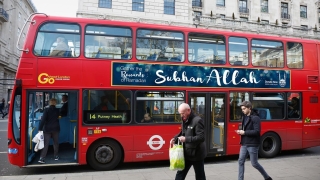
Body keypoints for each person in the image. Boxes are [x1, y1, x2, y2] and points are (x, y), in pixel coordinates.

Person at [236, 101, 272, 180]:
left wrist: (244, 132)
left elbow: (257, 131)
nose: (243, 110)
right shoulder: (244, 117)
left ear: (249, 108)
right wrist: (240, 131)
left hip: (253, 144)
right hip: (244, 143)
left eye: (244, 109)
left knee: (254, 163)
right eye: (242, 109)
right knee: (240, 161)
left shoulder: (256, 118)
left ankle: (267, 177)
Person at [170, 103, 206, 180]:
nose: (181, 115)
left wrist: (186, 139)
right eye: (180, 114)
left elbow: (201, 137)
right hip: (186, 153)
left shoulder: (198, 120)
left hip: (197, 154)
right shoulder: (184, 119)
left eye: (183, 113)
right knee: (180, 174)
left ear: (188, 110)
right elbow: (182, 132)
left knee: (200, 176)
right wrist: (174, 139)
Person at [38, 98, 60, 163]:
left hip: (47, 129)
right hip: (56, 128)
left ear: (50, 103)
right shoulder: (57, 110)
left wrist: (40, 128)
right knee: (55, 143)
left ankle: (42, 158)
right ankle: (56, 156)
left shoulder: (46, 110)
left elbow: (43, 120)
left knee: (45, 144)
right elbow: (59, 116)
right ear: (55, 103)